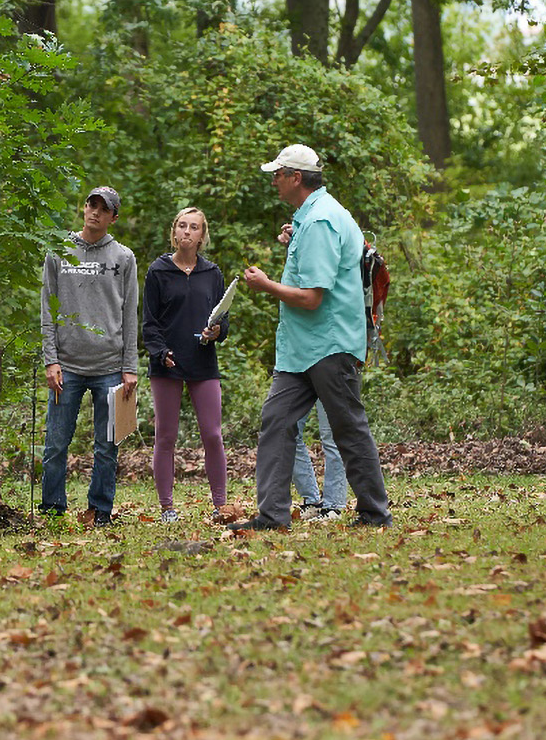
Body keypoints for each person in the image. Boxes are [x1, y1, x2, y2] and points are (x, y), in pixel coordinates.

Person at [233, 144, 392, 531]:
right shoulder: (311, 218)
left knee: (348, 427)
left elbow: (312, 297)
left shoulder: (320, 221)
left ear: (296, 178)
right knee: (276, 421)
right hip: (301, 349)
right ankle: (271, 516)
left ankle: (374, 513)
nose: (273, 181)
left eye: (278, 174)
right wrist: (295, 239)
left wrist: (266, 284)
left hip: (328, 345)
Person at [39, 186, 139, 526]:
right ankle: (53, 511)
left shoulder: (124, 258)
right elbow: (47, 309)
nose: (94, 211)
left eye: (102, 208)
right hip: (65, 366)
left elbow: (130, 315)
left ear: (113, 217)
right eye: (90, 204)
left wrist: (130, 367)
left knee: (107, 446)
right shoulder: (59, 252)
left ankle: (101, 511)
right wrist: (50, 360)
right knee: (55, 444)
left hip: (111, 367)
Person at [142, 206, 232, 524]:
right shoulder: (158, 271)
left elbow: (224, 319)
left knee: (212, 434)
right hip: (168, 363)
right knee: (166, 436)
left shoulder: (213, 273)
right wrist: (159, 351)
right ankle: (167, 507)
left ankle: (220, 505)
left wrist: (217, 331)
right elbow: (149, 323)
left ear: (202, 236)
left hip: (203, 361)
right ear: (174, 231)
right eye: (182, 226)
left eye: (194, 227)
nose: (187, 232)